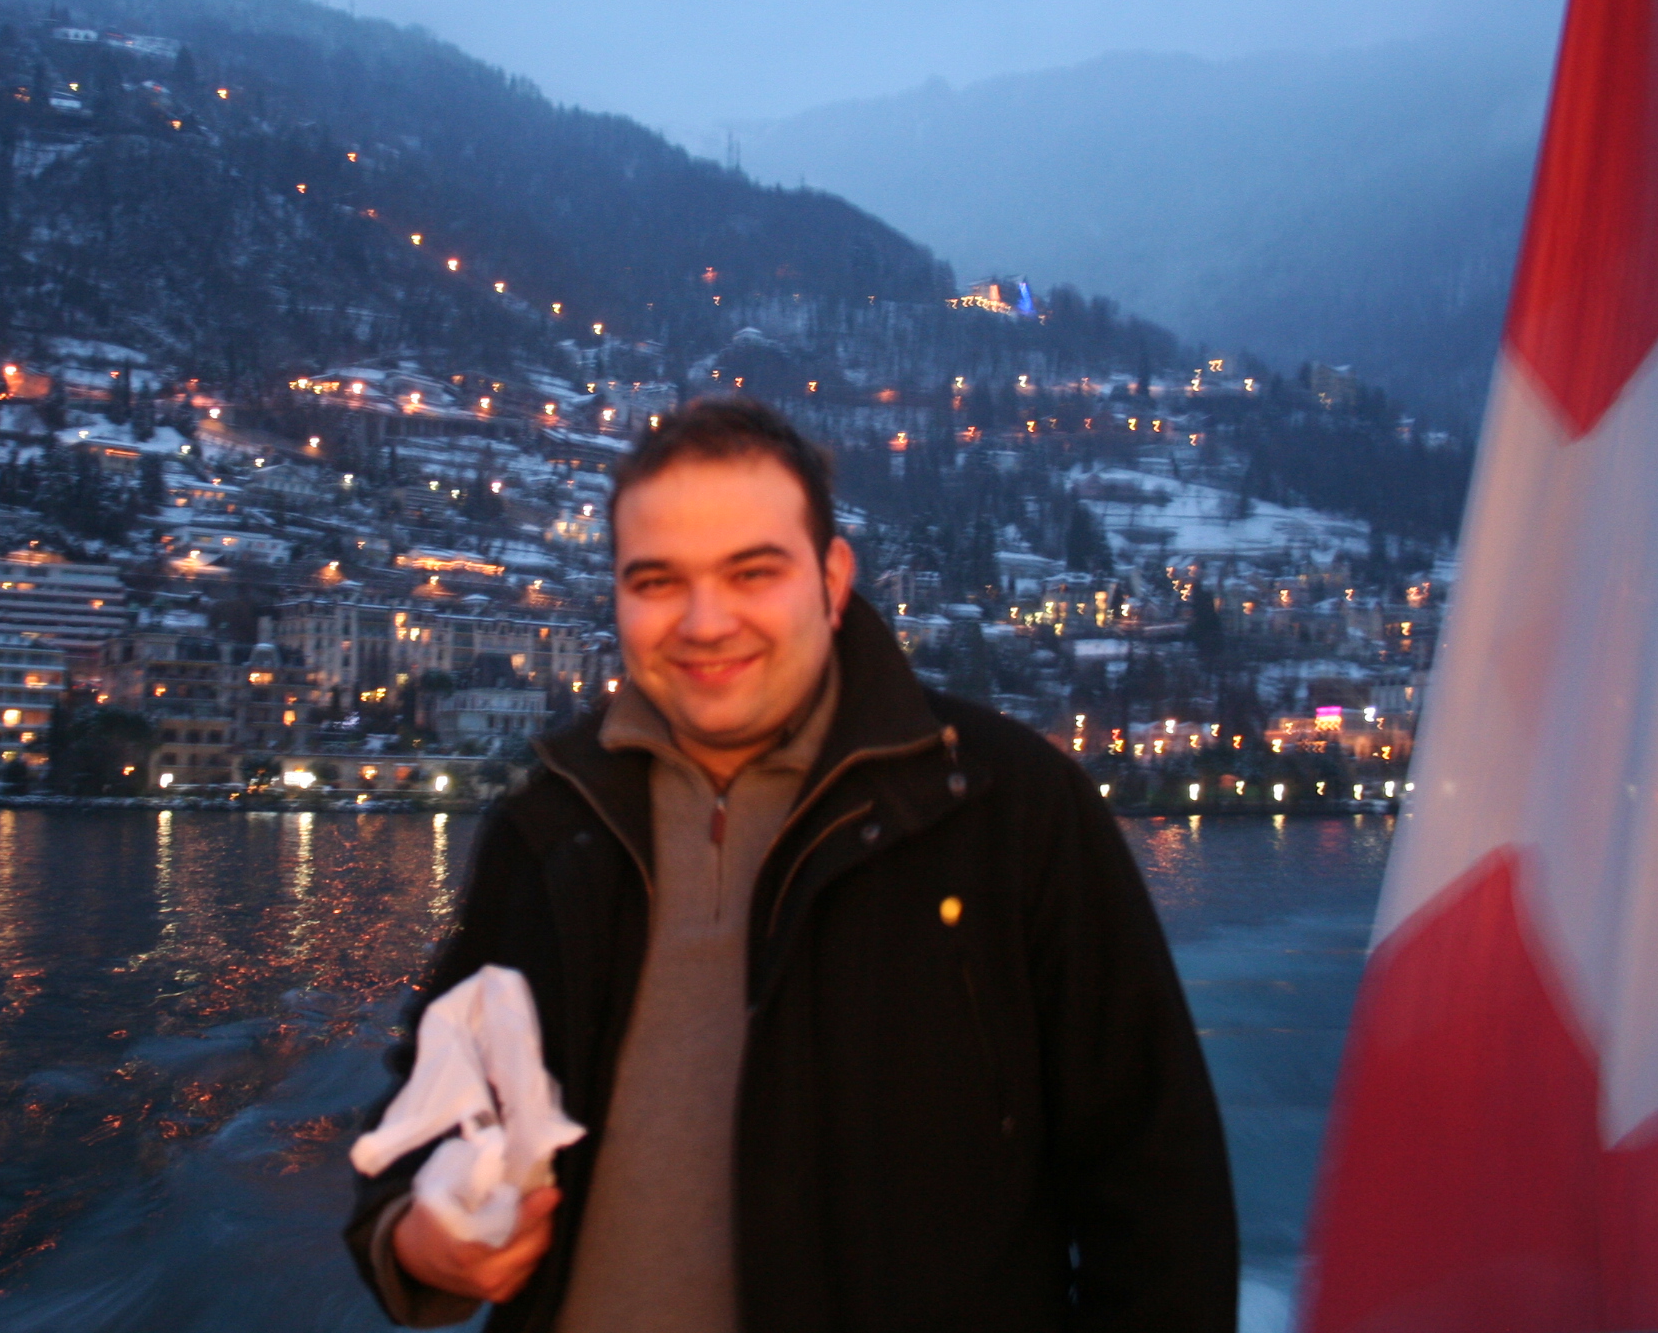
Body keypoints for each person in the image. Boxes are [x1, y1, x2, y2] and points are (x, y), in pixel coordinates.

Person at [347, 396, 1236, 1331]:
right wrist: (418, 1240)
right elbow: (423, 1106)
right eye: (657, 581)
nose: (704, 621)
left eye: (752, 572)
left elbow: (1160, 1198)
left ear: (832, 579)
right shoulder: (552, 821)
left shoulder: (1006, 809)